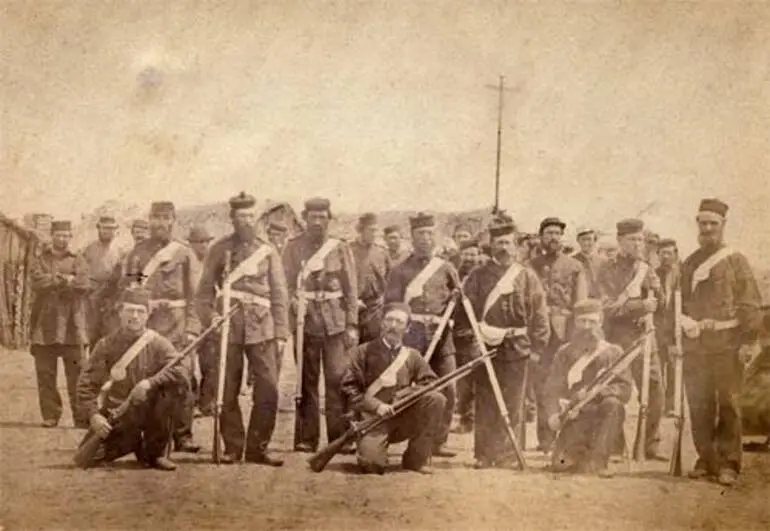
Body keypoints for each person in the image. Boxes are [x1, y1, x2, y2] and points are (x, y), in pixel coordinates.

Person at [99, 201, 201, 453]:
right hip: (147, 328)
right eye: (155, 218)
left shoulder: (185, 253)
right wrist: (145, 305)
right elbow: (129, 289)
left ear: (173, 220)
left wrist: (192, 328)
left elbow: (196, 296)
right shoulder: (137, 255)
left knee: (181, 377)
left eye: (166, 218)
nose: (160, 223)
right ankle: (144, 438)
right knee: (144, 383)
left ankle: (183, 435)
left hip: (176, 327)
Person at [196, 192, 289, 465]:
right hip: (229, 327)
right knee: (226, 388)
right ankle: (233, 446)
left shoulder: (268, 250)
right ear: (232, 219)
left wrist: (281, 333)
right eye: (241, 216)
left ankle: (258, 447)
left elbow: (279, 293)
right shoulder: (219, 249)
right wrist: (210, 318)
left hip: (263, 327)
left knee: (269, 388)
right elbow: (203, 293)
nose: (246, 221)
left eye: (250, 215)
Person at [680, 198, 762, 486]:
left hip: (727, 344)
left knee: (728, 403)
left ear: (723, 226)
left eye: (713, 224)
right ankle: (707, 459)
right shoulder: (689, 262)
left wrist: (749, 341)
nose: (708, 229)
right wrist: (684, 324)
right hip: (696, 346)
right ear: (697, 225)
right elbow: (680, 303)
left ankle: (729, 463)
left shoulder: (736, 260)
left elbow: (750, 303)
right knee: (699, 404)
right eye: (703, 223)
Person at [462, 215, 550, 468]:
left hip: (517, 345)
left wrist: (536, 349)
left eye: (508, 243)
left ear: (516, 246)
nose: (503, 248)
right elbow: (466, 312)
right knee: (486, 400)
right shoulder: (478, 276)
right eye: (498, 242)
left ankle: (510, 454)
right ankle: (484, 454)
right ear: (491, 245)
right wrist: (473, 342)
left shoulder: (527, 276)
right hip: (485, 345)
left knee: (514, 401)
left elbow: (540, 314)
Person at [75, 287, 188, 471]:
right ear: (120, 312)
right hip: (119, 413)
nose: (134, 316)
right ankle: (133, 443)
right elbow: (86, 384)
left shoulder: (158, 343)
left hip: (150, 413)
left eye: (140, 311)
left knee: (171, 390)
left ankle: (156, 452)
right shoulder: (106, 345)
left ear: (147, 315)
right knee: (86, 458)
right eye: (129, 310)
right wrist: (93, 415)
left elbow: (181, 371)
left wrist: (150, 383)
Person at [282, 197, 358, 453]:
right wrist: (292, 300)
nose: (317, 222)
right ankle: (307, 437)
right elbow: (285, 284)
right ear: (305, 218)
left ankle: (339, 438)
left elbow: (350, 288)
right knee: (307, 381)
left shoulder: (339, 248)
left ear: (329, 219)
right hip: (307, 324)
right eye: (312, 217)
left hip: (335, 324)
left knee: (338, 380)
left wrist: (351, 324)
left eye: (322, 217)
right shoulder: (293, 247)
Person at [384, 212, 460, 458]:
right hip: (413, 336)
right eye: (420, 234)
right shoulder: (400, 270)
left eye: (429, 233)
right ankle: (411, 441)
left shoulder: (447, 268)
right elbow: (392, 305)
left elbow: (458, 301)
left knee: (449, 386)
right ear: (412, 237)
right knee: (411, 389)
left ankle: (439, 441)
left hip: (442, 337)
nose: (426, 239)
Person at [340, 302, 446, 475]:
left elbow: (430, 383)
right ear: (382, 323)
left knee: (436, 399)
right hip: (373, 421)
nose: (393, 326)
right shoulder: (362, 352)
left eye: (399, 322)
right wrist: (376, 406)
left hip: (403, 419)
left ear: (407, 328)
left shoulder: (412, 355)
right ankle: (373, 449)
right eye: (389, 320)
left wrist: (401, 396)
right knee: (371, 466)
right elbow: (348, 388)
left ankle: (416, 459)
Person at [597, 218, 665, 461]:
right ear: (620, 241)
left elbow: (661, 306)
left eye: (640, 239)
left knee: (656, 389)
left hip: (646, 336)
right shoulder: (607, 269)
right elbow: (607, 307)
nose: (637, 244)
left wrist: (658, 291)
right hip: (619, 339)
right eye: (632, 239)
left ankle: (648, 445)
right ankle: (615, 445)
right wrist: (639, 306)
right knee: (616, 390)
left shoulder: (647, 268)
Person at [544, 299, 632, 478]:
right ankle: (578, 455)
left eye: (592, 322)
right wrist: (554, 413)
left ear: (600, 322)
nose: (587, 327)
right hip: (574, 416)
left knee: (614, 404)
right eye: (582, 321)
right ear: (575, 323)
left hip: (602, 417)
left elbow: (625, 389)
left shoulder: (613, 352)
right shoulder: (564, 352)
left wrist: (598, 392)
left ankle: (599, 461)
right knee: (560, 465)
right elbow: (552, 389)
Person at [530, 217, 588, 451]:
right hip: (540, 332)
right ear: (541, 237)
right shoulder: (530, 265)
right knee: (543, 385)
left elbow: (581, 303)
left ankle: (568, 439)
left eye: (557, 233)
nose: (553, 237)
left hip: (566, 330)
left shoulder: (575, 266)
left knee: (569, 384)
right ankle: (545, 439)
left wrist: (579, 334)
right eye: (548, 233)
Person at [29, 220, 89, 428]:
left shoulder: (78, 258)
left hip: (72, 326)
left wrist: (66, 280)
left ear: (70, 236)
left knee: (77, 374)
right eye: (58, 235)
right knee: (46, 374)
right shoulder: (40, 259)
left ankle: (81, 417)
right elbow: (37, 282)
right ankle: (50, 415)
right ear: (52, 235)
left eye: (66, 235)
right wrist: (62, 279)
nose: (62, 239)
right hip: (45, 326)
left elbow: (84, 283)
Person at [451, 239, 483, 434]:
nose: (470, 258)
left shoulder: (482, 275)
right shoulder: (454, 274)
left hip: (476, 330)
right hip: (456, 329)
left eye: (473, 254)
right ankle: (464, 416)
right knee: (460, 378)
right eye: (466, 254)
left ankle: (470, 418)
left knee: (473, 377)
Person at [81, 215, 126, 349]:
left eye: (112, 229)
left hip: (111, 297)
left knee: (111, 334)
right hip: (92, 296)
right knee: (91, 334)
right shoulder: (89, 249)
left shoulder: (120, 251)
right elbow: (82, 272)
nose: (108, 232)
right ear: (98, 229)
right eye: (105, 228)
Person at [350, 213, 391, 343]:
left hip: (374, 310)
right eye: (371, 230)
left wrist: (384, 297)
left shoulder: (382, 252)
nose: (374, 234)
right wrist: (353, 300)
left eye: (376, 231)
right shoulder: (348, 250)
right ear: (361, 230)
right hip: (352, 308)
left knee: (373, 350)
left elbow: (390, 279)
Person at [655, 238, 681, 414]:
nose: (665, 256)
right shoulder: (653, 274)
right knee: (657, 369)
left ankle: (672, 405)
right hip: (657, 329)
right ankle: (658, 405)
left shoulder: (682, 275)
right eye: (661, 253)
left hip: (676, 328)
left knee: (673, 369)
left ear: (675, 254)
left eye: (668, 253)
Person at [573, 227, 607, 299]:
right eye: (583, 239)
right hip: (579, 300)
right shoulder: (572, 260)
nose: (586, 243)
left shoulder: (604, 261)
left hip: (600, 300)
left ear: (594, 241)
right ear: (578, 241)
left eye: (589, 239)